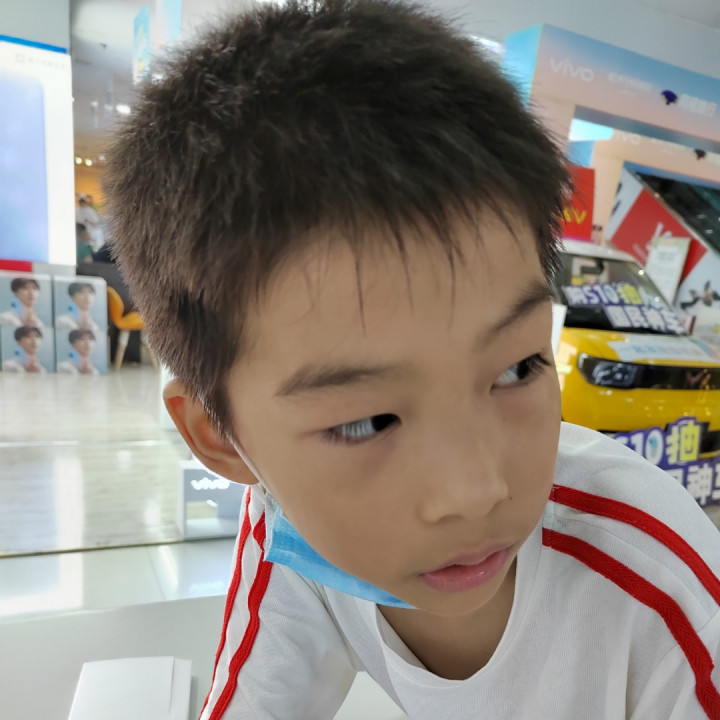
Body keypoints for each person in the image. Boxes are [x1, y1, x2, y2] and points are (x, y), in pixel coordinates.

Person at [103, 2, 720, 718]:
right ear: (222, 435)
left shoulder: (659, 587)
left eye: (518, 368)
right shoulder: (289, 526)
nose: (475, 490)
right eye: (367, 422)